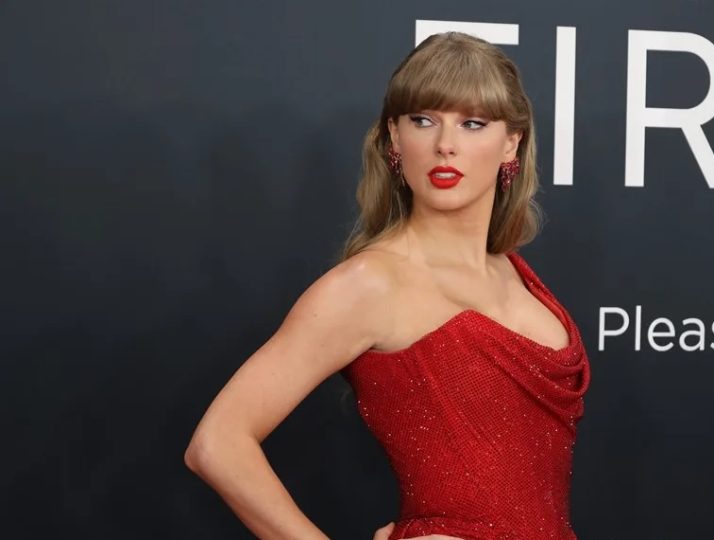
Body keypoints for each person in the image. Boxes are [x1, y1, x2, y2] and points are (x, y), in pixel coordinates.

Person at [184, 31, 590, 540]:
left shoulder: (515, 272)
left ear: (512, 142)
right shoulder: (370, 284)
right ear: (395, 137)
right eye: (423, 120)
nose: (446, 145)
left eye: (472, 123)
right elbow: (216, 442)